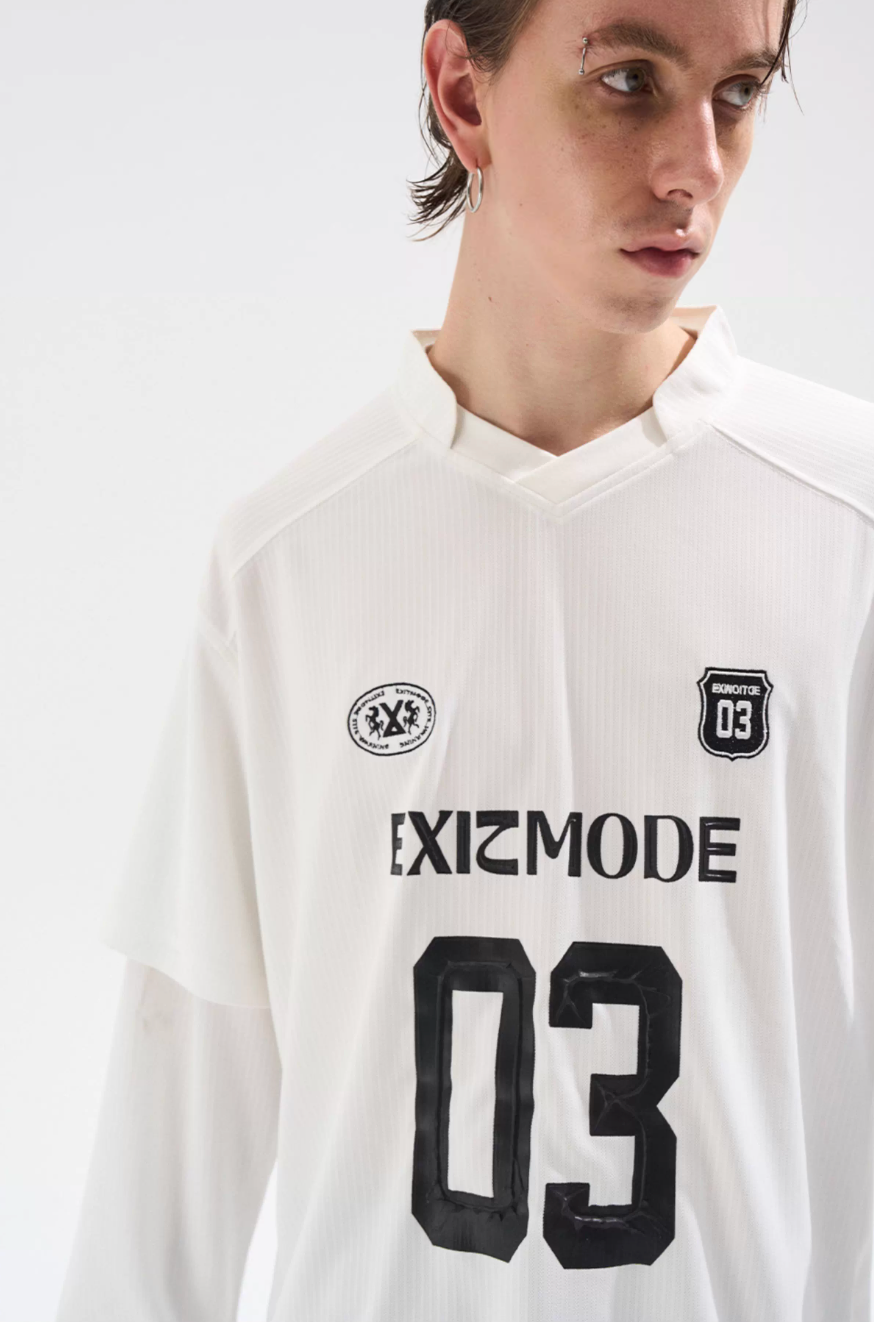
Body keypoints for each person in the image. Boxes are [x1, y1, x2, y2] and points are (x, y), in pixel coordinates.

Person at [55, 0, 874, 1319]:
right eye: (628, 81)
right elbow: (171, 1143)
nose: (697, 167)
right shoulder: (287, 563)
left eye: (737, 93)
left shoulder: (847, 531)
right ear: (462, 91)